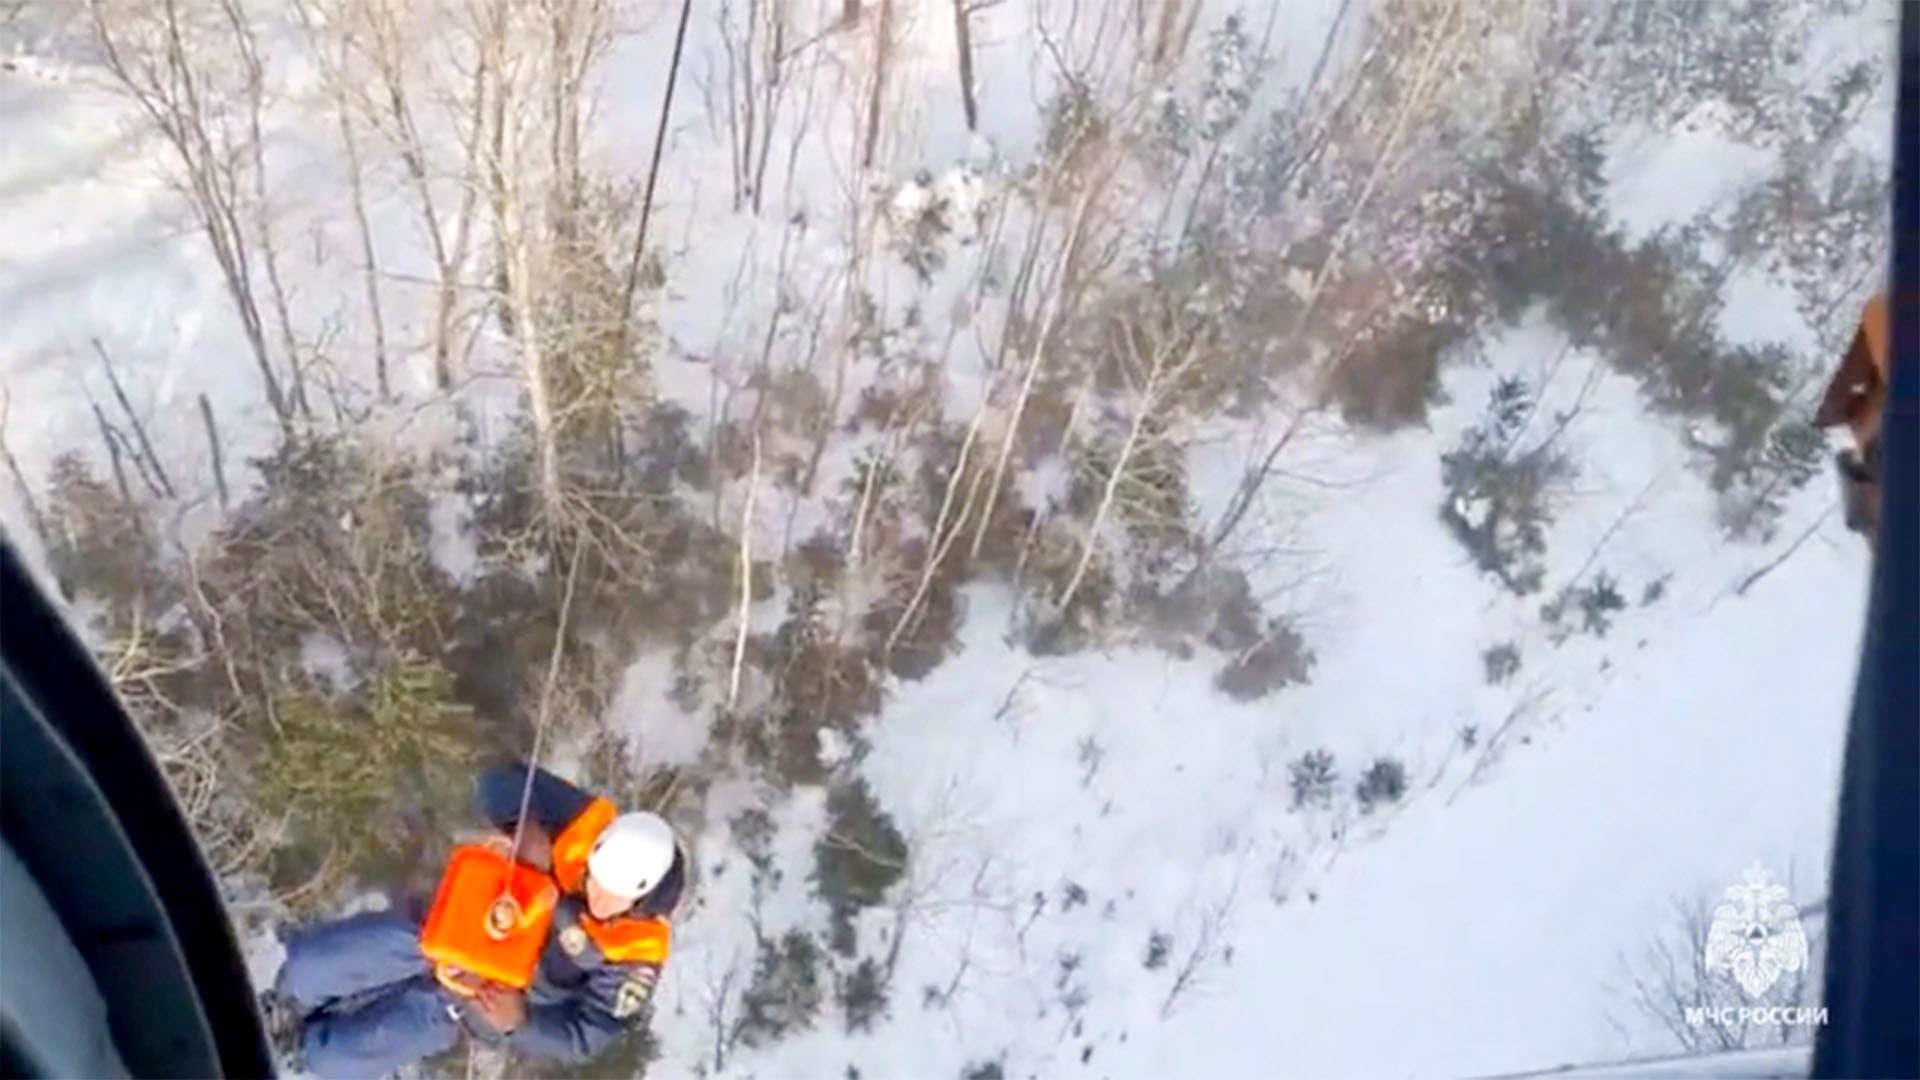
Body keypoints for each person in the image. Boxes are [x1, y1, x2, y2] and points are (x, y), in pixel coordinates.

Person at [271, 762, 690, 1078]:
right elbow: (499, 781)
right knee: (322, 963)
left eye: (611, 895)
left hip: (483, 997)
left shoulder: (636, 954)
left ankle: (300, 1055)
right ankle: (285, 1000)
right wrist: (525, 832)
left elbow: (587, 1033)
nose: (596, 897)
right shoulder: (586, 823)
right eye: (593, 881)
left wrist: (519, 1022)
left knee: (347, 1054)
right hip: (462, 924)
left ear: (640, 894)